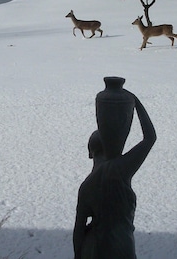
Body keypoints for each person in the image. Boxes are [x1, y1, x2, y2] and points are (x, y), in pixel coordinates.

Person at [73, 95, 156, 259]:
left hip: (93, 248)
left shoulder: (86, 186)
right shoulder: (120, 168)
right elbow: (150, 138)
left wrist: (78, 255)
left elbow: (78, 231)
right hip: (120, 246)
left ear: (90, 153)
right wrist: (136, 103)